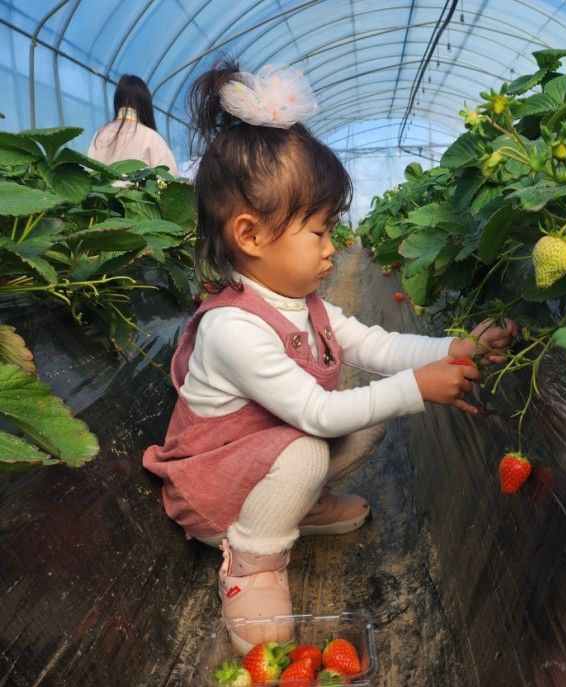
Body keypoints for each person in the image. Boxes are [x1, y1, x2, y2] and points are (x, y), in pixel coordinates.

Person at [142, 60, 516, 652]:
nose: (334, 246)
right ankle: (252, 562)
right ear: (251, 235)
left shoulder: (303, 302)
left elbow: (377, 344)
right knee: (314, 440)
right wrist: (418, 387)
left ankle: (295, 508)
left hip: (261, 463)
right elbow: (314, 415)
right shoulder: (233, 328)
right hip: (215, 493)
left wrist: (457, 347)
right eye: (318, 231)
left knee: (364, 419)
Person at [88, 74, 178, 173]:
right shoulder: (152, 138)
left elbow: (88, 174)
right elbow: (170, 180)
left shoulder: (100, 135)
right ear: (145, 105)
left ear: (117, 101)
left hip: (101, 189)